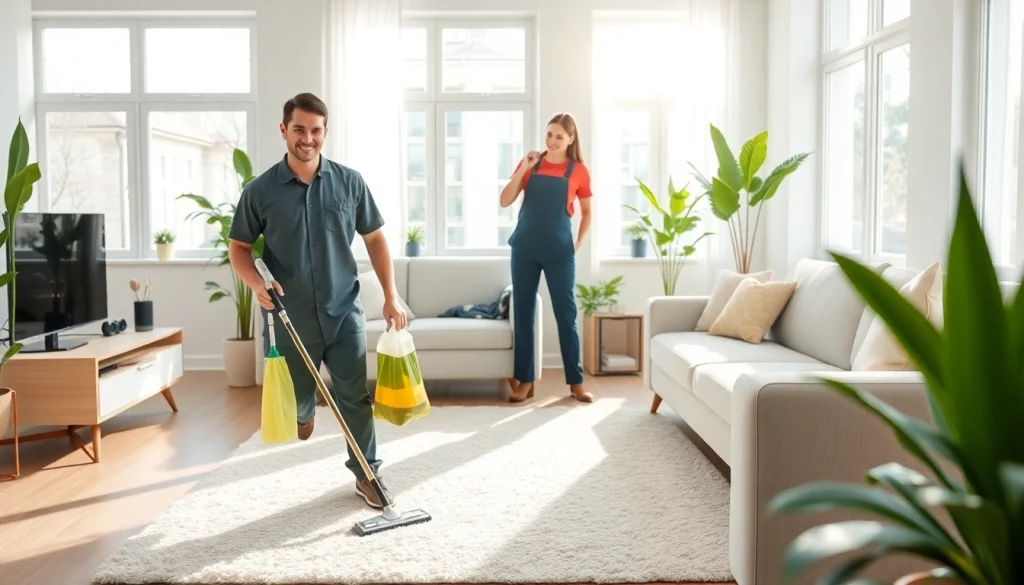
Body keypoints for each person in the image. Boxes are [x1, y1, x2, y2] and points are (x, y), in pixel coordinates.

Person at [227, 92, 407, 510]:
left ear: (325, 133)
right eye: (299, 130)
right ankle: (305, 412)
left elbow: (375, 238)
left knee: (354, 396)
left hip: (344, 310)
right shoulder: (260, 191)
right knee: (299, 399)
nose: (307, 139)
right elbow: (239, 247)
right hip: (290, 318)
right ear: (284, 130)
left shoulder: (350, 182)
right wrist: (256, 283)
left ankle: (367, 473)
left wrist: (392, 297)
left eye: (316, 131)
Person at [500, 112, 594, 404]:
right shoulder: (531, 163)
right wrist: (523, 168)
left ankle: (576, 382)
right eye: (549, 134)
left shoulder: (578, 170)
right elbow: (505, 200)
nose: (552, 141)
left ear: (571, 139)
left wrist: (577, 242)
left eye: (559, 137)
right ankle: (525, 382)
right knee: (523, 314)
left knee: (566, 315)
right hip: (525, 249)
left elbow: (587, 211)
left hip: (559, 252)